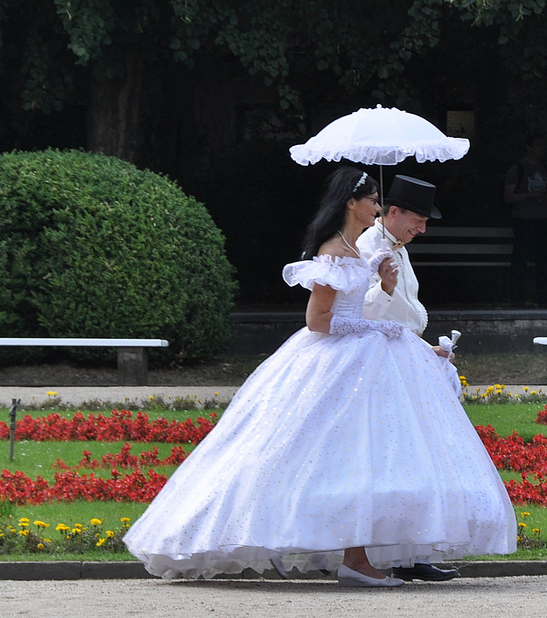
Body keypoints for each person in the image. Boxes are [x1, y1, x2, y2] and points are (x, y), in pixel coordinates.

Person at [122, 167, 516, 588]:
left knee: (360, 455)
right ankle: (340, 555)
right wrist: (374, 325)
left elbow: (361, 307)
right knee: (313, 451)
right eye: (372, 201)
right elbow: (318, 321)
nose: (377, 208)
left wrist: (382, 287)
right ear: (352, 203)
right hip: (340, 358)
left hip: (366, 354)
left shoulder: (357, 248)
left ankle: (360, 558)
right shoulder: (334, 251)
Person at [358, 174, 461, 583]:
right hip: (382, 362)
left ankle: (411, 552)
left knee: (417, 457)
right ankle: (400, 553)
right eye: (417, 220)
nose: (421, 229)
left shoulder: (397, 247)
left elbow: (405, 313)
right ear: (393, 212)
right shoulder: (370, 246)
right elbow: (365, 312)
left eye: (425, 222)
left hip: (404, 355)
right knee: (395, 456)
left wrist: (425, 348)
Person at [503, 134, 547, 305]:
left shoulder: (546, 167)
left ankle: (544, 298)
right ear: (529, 147)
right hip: (524, 220)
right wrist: (528, 195)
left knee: (544, 260)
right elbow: (508, 196)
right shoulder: (518, 169)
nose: (541, 149)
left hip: (544, 218)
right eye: (538, 145)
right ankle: (517, 299)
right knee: (521, 261)